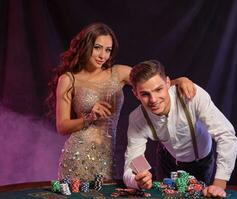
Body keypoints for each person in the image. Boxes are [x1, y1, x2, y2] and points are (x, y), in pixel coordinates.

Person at [46, 22, 196, 182]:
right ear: (85, 45)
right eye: (97, 47)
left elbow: (152, 83)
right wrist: (90, 117)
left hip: (108, 156)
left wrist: (180, 80)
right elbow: (62, 126)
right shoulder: (69, 79)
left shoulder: (118, 73)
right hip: (77, 155)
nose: (102, 55)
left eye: (108, 50)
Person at [123, 60, 237, 198]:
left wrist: (219, 184)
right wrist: (138, 180)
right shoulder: (137, 118)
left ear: (168, 83)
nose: (153, 100)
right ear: (135, 94)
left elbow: (227, 135)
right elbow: (132, 163)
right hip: (167, 161)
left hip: (200, 162)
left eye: (158, 89)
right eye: (145, 94)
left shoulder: (191, 95)